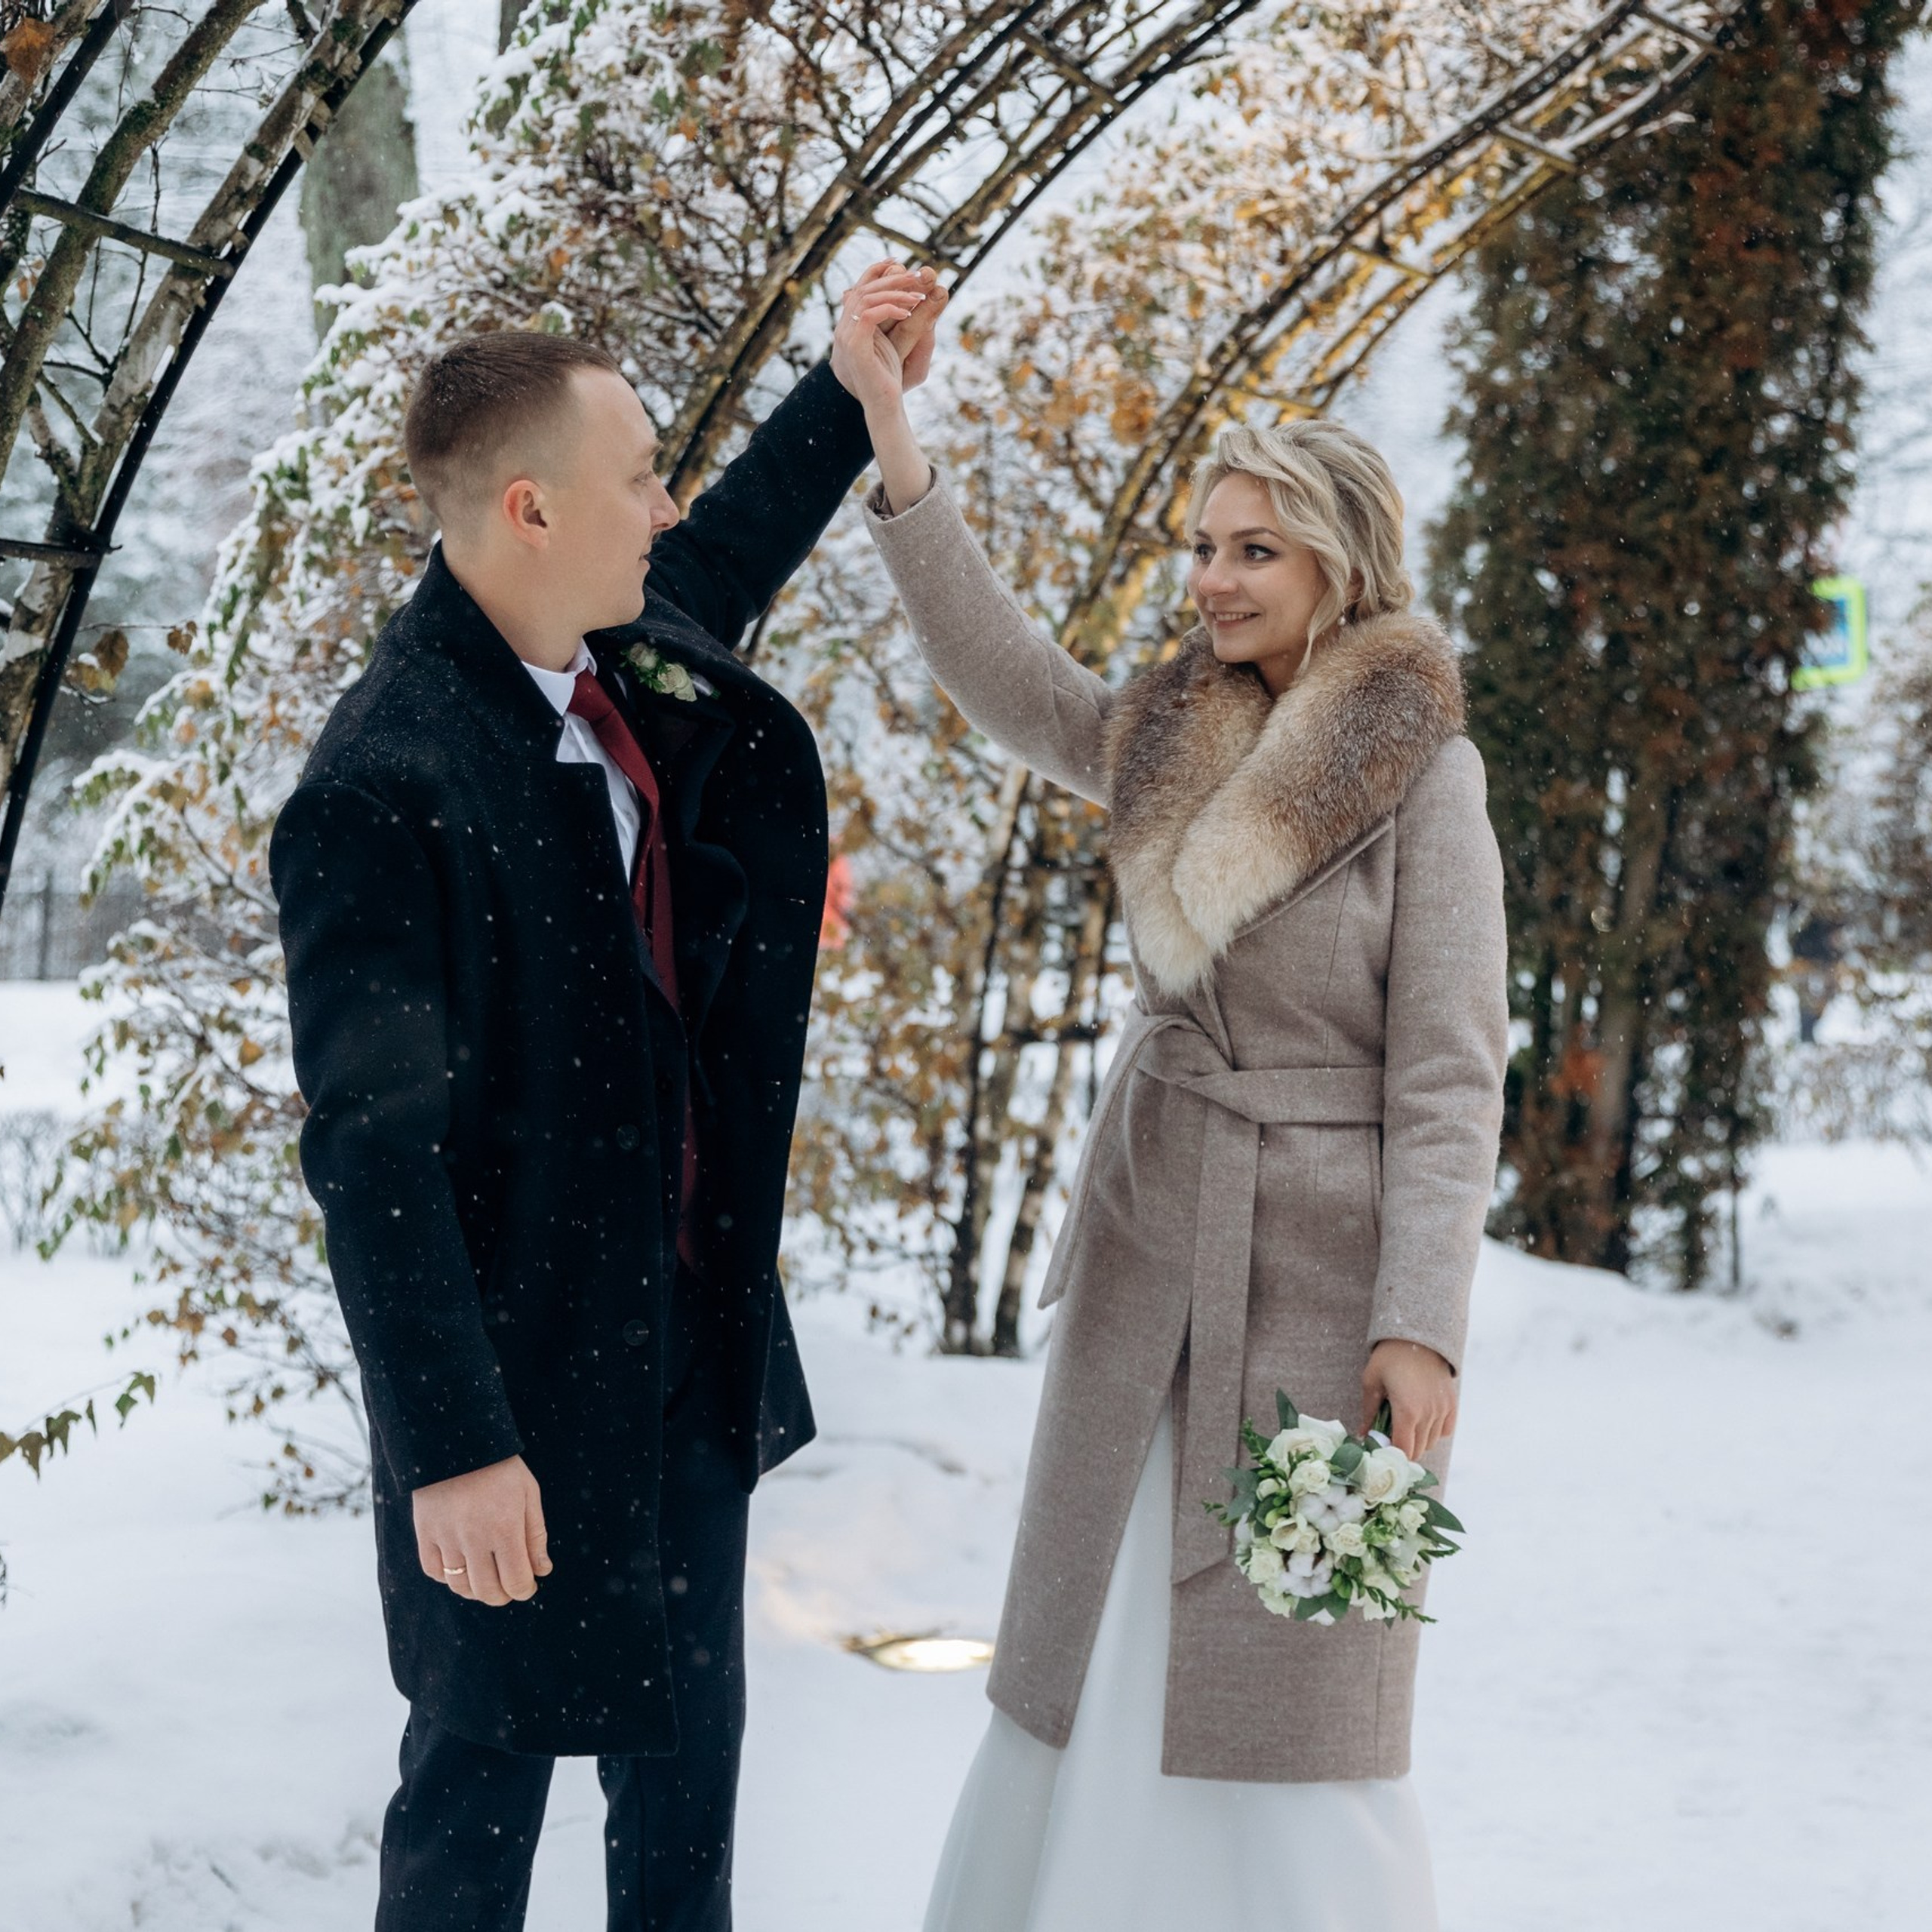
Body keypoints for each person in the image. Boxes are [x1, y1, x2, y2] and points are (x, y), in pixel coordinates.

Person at [269, 262, 945, 1932]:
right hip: (517, 1396)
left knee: (684, 1805)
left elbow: (722, 553)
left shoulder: (610, 649)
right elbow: (373, 1155)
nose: (661, 506)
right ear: (527, 508)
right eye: (636, 475)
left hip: (682, 1354)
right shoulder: (384, 781)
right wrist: (456, 1449)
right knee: (475, 1800)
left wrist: (845, 383)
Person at [844, 305, 1509, 1928]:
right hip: (1153, 1248)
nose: (1211, 577)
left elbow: (1447, 1072)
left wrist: (1418, 1320)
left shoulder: (1427, 779)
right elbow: (1003, 674)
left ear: (1339, 568)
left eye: (1253, 550)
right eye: (1203, 544)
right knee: (1098, 1622)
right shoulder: (1163, 730)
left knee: (1301, 1658)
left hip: (1318, 1280)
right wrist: (891, 436)